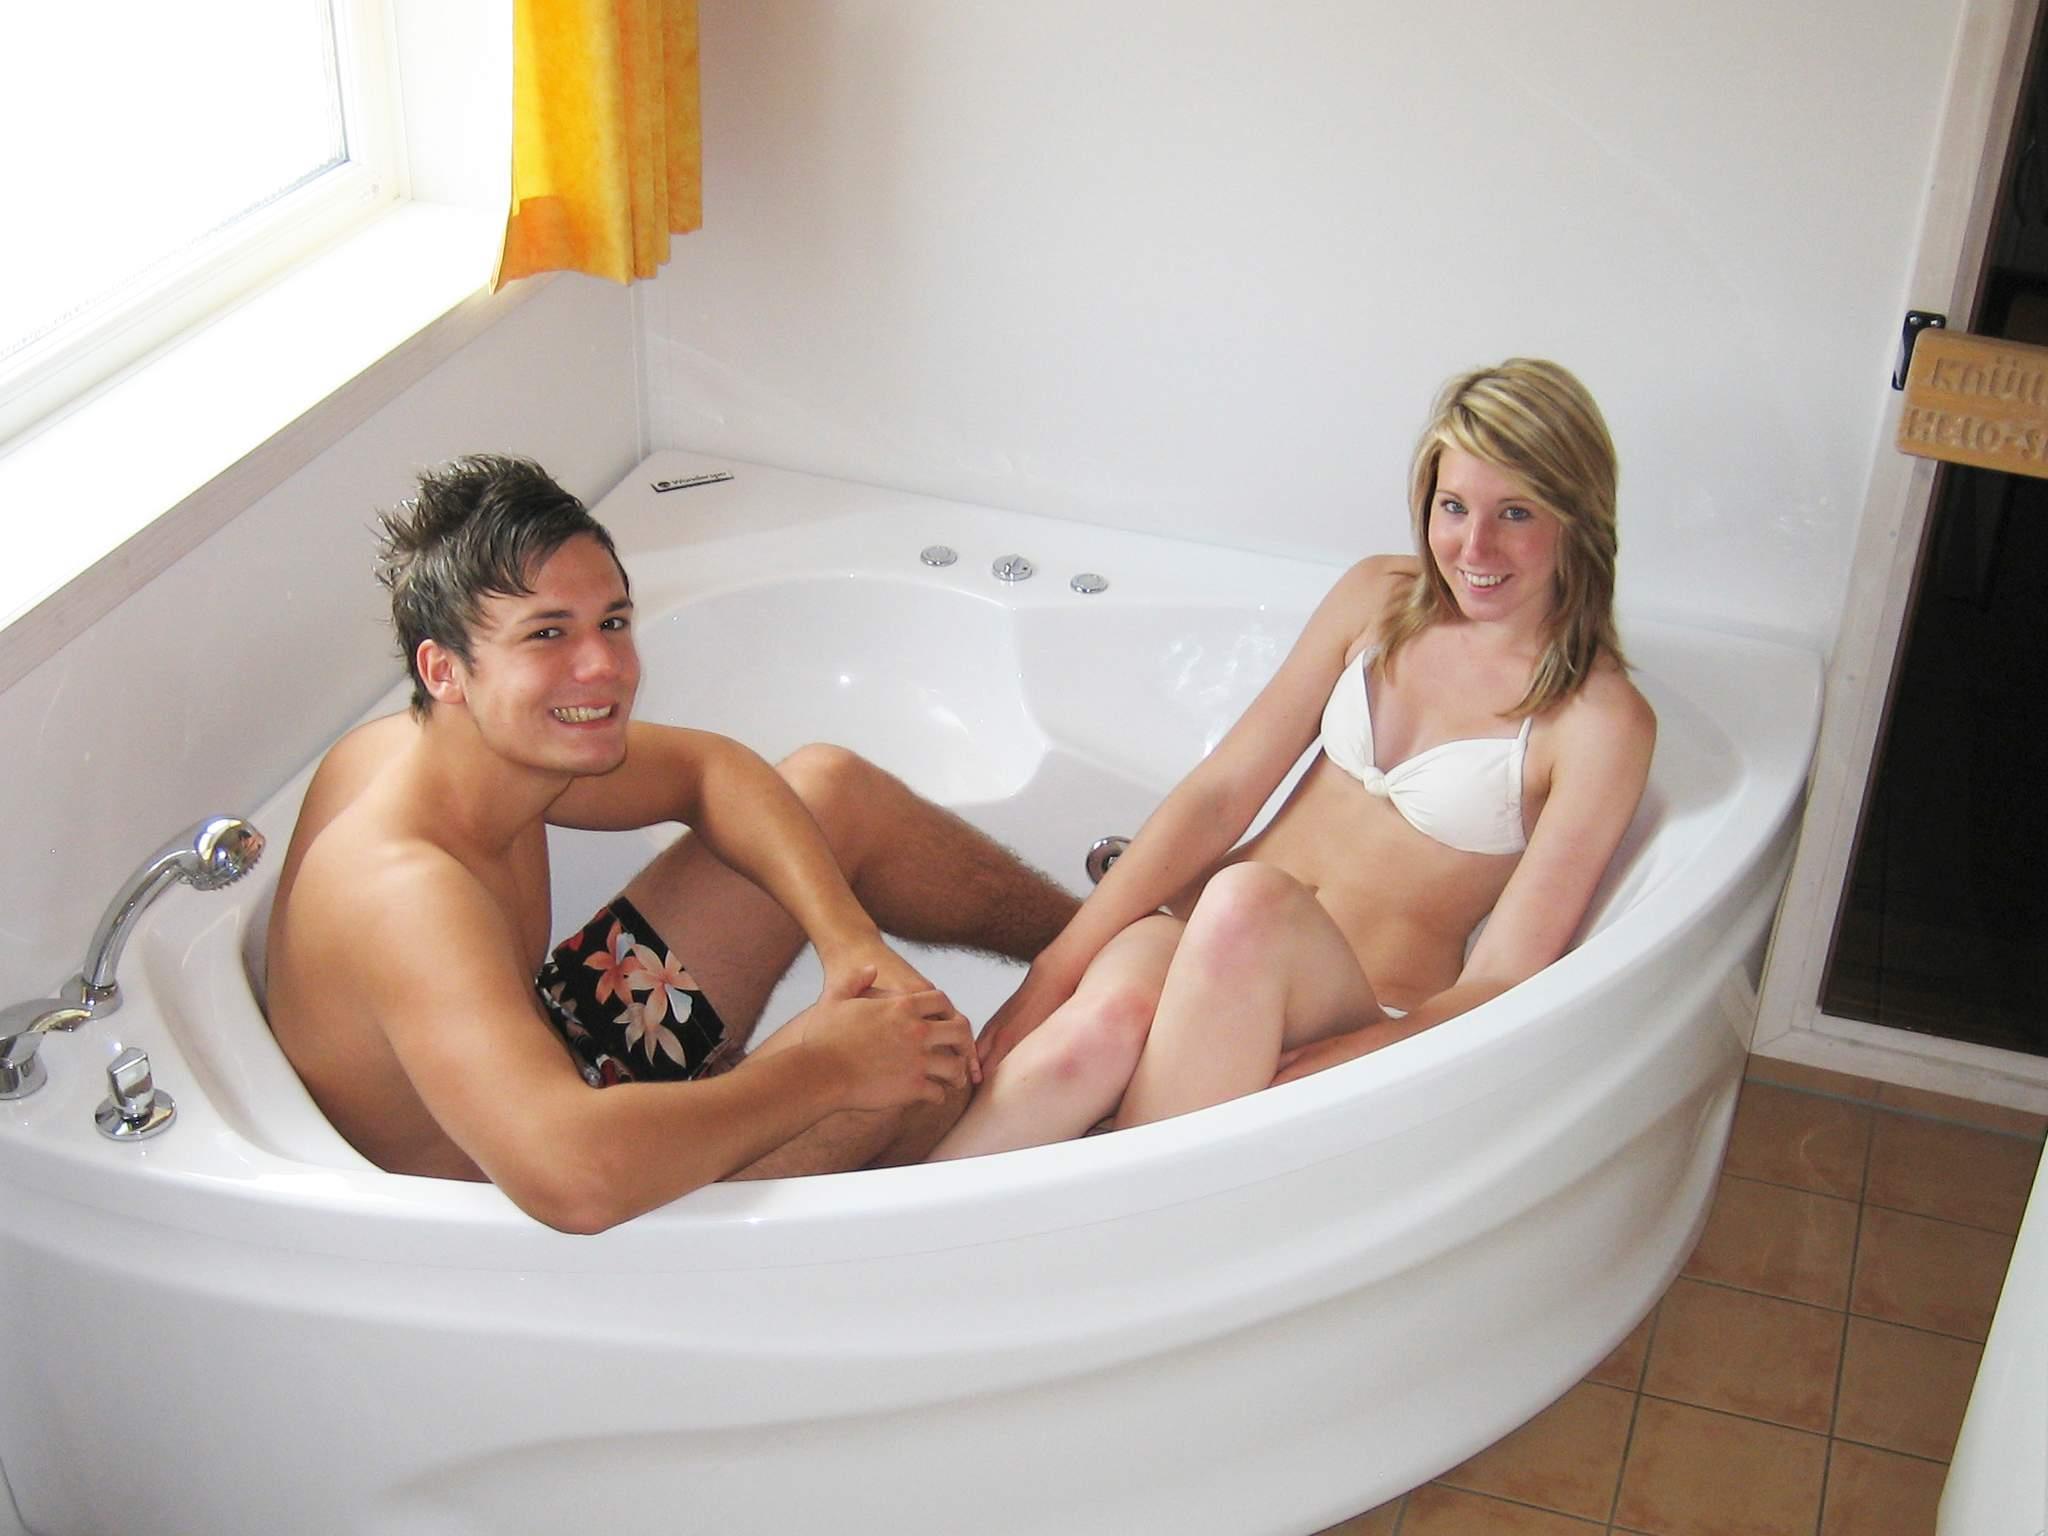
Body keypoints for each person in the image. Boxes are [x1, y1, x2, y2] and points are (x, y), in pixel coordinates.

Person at [265, 455, 1077, 1232]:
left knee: (829, 790)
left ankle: (1092, 944)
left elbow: (711, 771)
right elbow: (573, 1181)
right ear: (444, 670)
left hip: (561, 1056)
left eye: (612, 621)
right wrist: (828, 1069)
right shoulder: (403, 890)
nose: (604, 665)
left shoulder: (469, 749)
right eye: (547, 634)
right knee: (913, 1074)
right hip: (531, 1225)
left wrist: (849, 942)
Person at [930, 359, 1656, 1159]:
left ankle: (1131, 1204)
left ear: (1576, 517)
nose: (1474, 545)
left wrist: (1364, 1053)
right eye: (1453, 506)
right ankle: (905, 1214)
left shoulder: (1599, 723)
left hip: (1358, 1004)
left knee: (1248, 902)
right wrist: (1053, 970)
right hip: (1197, 936)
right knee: (1092, 1032)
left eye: (1515, 513)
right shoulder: (1377, 597)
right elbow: (1220, 795)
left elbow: (1506, 977)